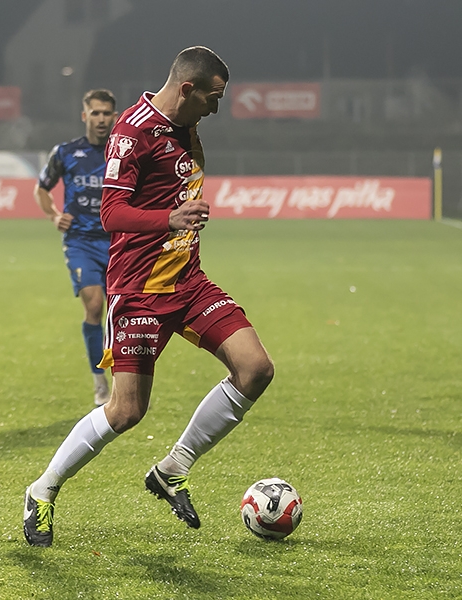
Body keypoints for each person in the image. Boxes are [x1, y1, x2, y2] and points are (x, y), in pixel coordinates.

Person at [23, 46, 274, 547]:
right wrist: (170, 219)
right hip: (139, 289)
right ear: (187, 89)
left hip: (188, 281)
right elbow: (112, 214)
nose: (217, 107)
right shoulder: (131, 132)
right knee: (126, 412)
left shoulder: (184, 125)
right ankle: (42, 490)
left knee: (256, 369)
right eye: (213, 96)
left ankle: (172, 468)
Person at [34, 89, 118, 406]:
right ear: (85, 116)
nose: (100, 119)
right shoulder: (66, 153)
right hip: (81, 242)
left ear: (114, 116)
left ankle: (125, 384)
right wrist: (54, 215)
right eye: (95, 113)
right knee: (95, 306)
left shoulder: (122, 153)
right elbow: (41, 189)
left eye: (106, 113)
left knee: (121, 314)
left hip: (118, 242)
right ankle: (100, 384)